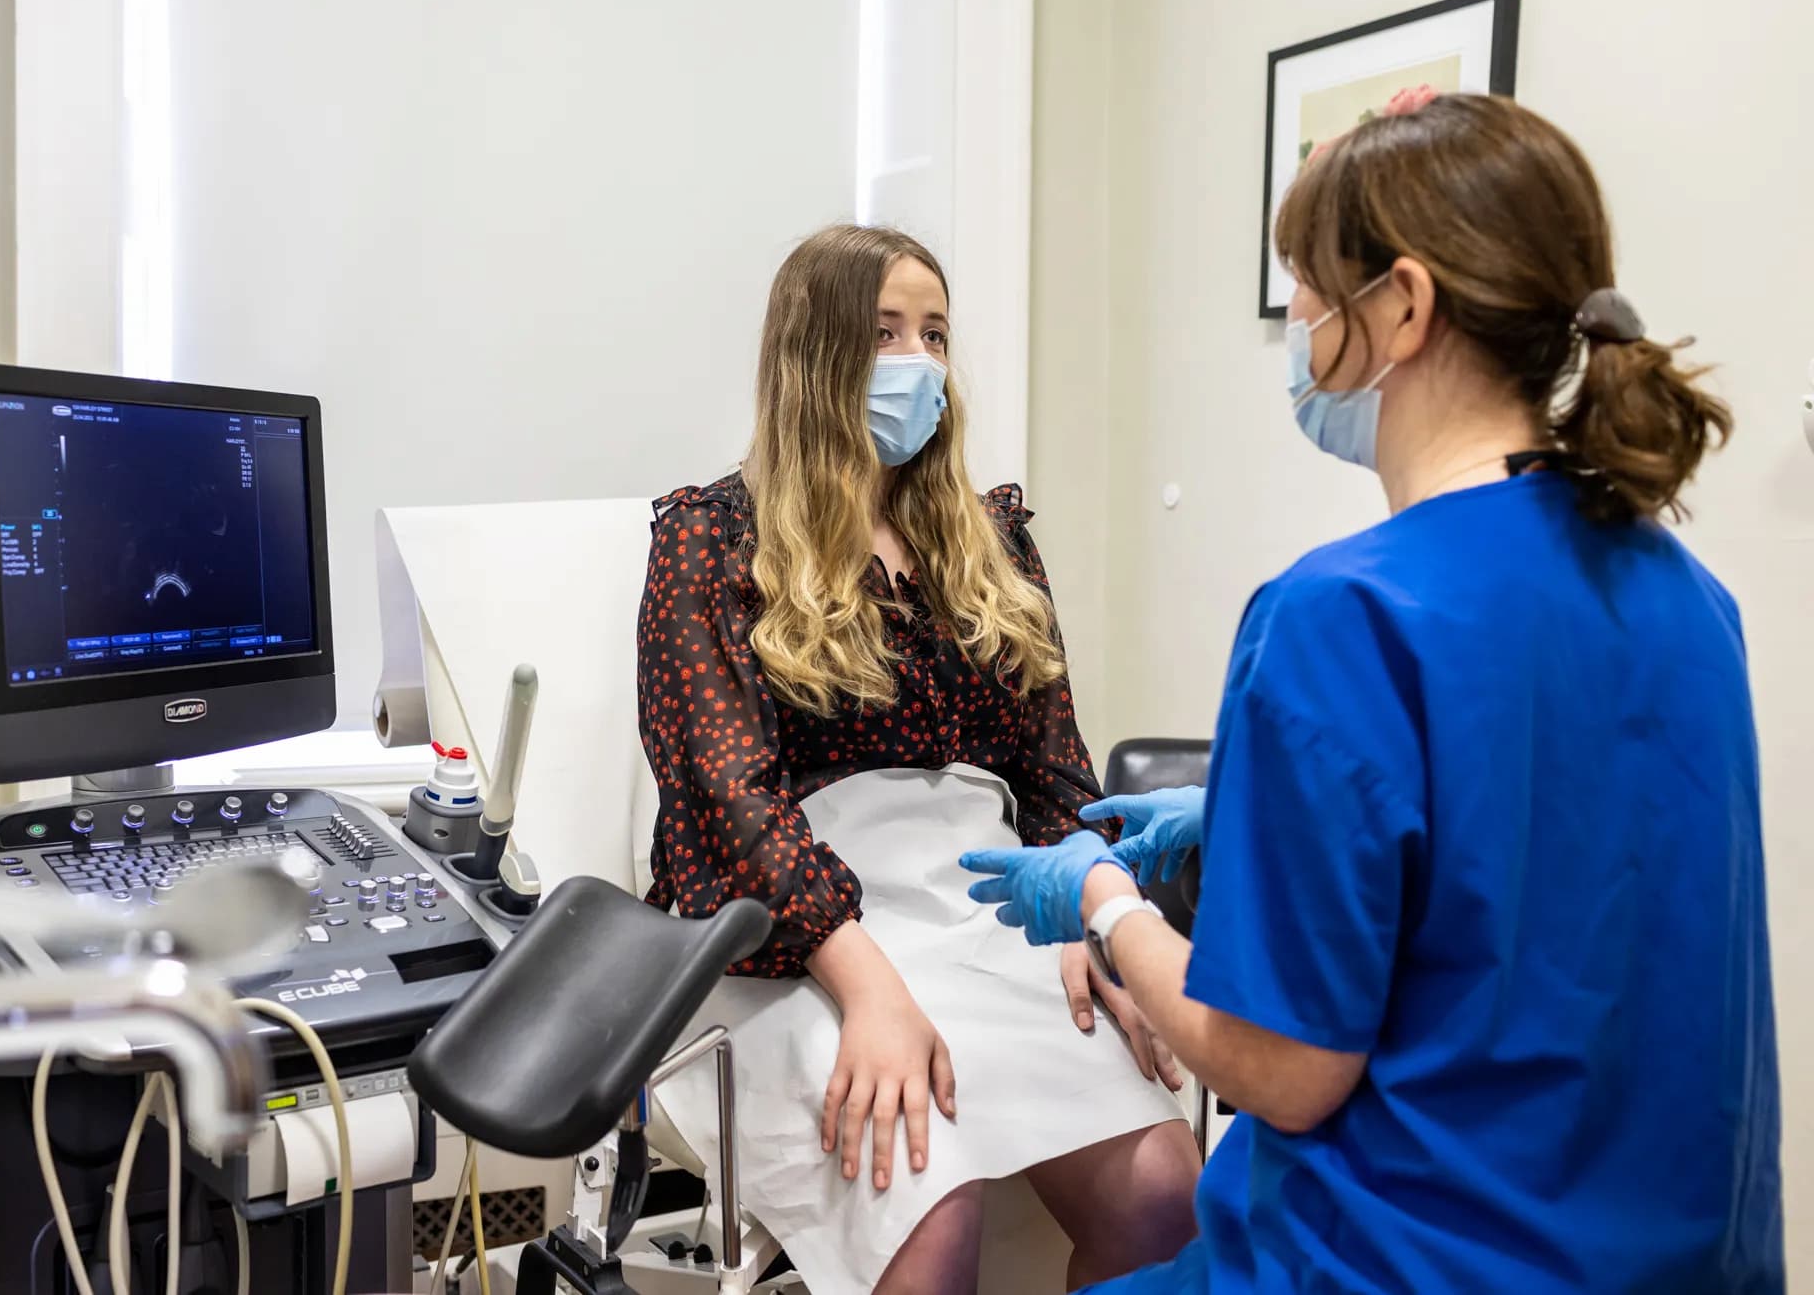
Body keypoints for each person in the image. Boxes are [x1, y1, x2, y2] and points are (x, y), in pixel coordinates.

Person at [963, 92, 1782, 1293]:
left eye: (1303, 283)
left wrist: (1101, 902)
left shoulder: (1340, 612)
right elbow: (1546, 865)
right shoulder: (1689, 596)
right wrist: (1239, 824)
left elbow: (1275, 1068)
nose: (1292, 320)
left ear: (1398, 306)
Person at [636, 224, 1201, 1293]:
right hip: (796, 941)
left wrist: (1089, 911)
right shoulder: (708, 541)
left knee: (1165, 1197)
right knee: (926, 1213)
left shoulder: (989, 541)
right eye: (886, 333)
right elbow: (729, 798)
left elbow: (1055, 774)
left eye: (935, 334)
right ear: (815, 355)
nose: (919, 362)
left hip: (989, 907)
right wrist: (871, 991)